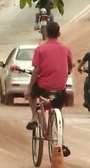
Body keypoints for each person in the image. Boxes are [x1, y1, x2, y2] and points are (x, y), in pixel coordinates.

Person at [24, 21, 74, 156]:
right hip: (60, 88)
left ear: (45, 33)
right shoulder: (65, 48)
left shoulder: (40, 49)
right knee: (59, 110)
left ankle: (34, 116)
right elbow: (70, 66)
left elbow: (36, 70)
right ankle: (61, 138)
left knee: (33, 95)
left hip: (44, 87)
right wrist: (66, 71)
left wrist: (29, 88)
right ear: (59, 33)